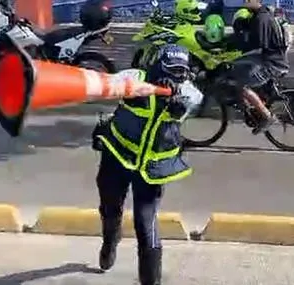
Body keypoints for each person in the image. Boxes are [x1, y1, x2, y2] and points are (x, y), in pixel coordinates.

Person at [91, 44, 198, 285]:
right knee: (109, 208)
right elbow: (108, 85)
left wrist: (178, 102)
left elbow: (193, 101)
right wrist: (133, 90)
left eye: (180, 72)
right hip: (117, 156)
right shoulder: (135, 77)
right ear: (156, 65)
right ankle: (110, 240)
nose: (174, 76)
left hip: (150, 170)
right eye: (169, 69)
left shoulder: (187, 91)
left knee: (145, 224)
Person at [227, 0, 290, 135]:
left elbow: (258, 47)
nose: (246, 1)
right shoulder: (259, 15)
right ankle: (255, 106)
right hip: (270, 60)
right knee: (238, 69)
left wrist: (238, 53)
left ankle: (267, 116)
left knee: (242, 85)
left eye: (249, 0)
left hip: (272, 64)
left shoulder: (262, 18)